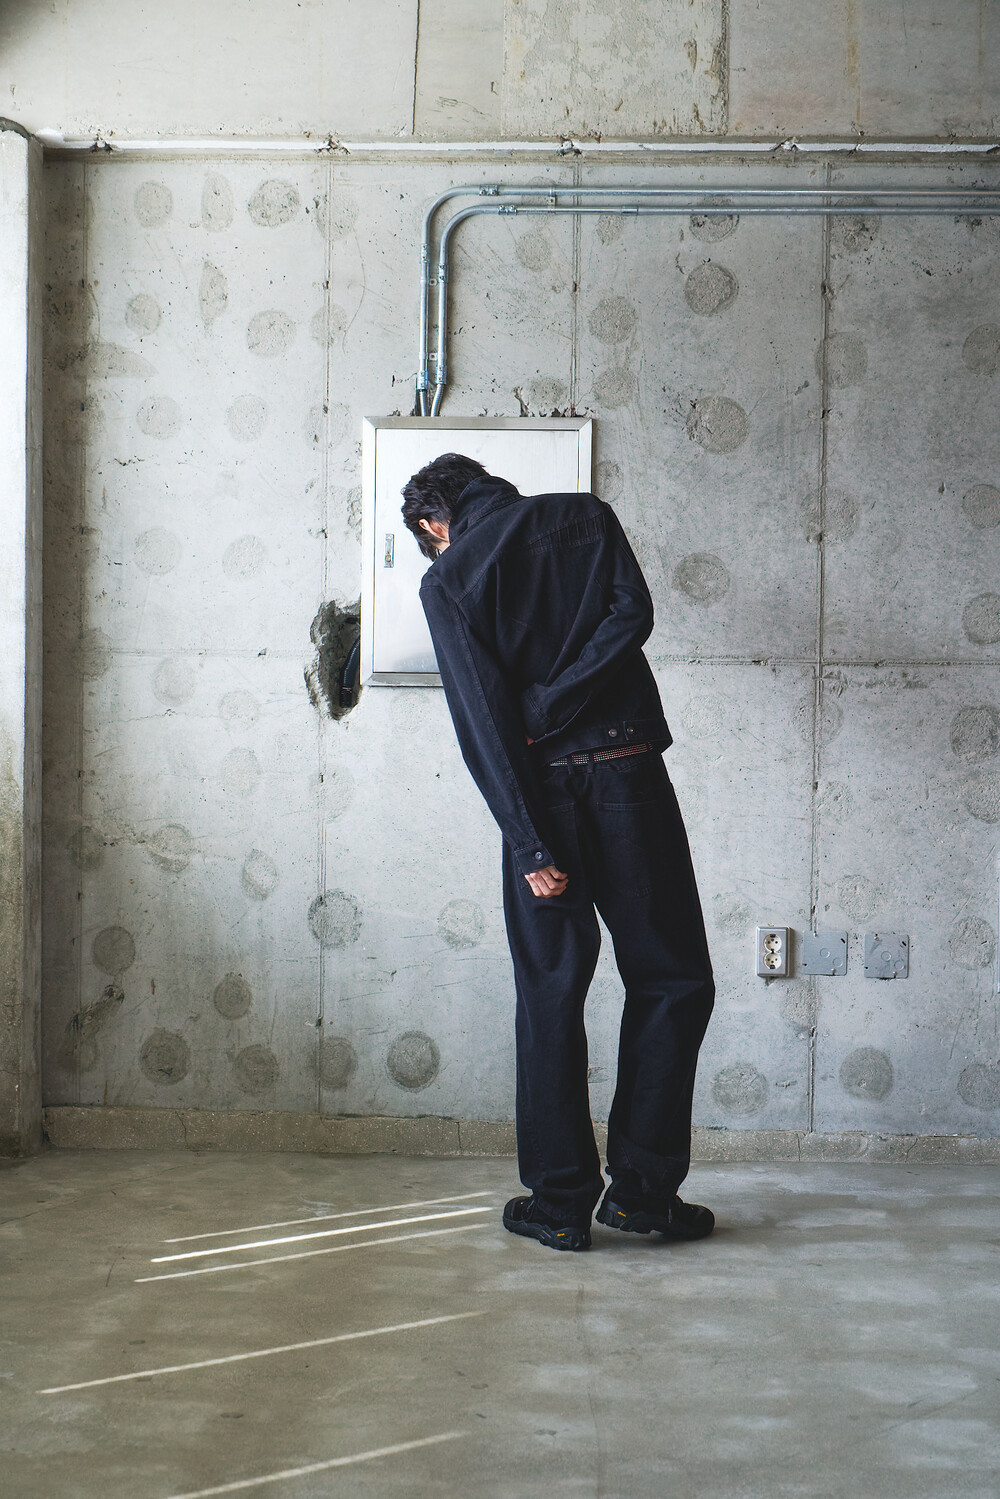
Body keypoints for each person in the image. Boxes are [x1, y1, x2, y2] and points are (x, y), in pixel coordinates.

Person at [401, 453, 716, 1252]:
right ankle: (642, 1193)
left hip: (543, 798)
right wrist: (566, 695)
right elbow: (632, 614)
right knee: (672, 978)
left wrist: (529, 841)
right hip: (630, 771)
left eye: (432, 541)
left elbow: (482, 720)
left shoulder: (448, 579)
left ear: (435, 523)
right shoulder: (585, 514)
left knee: (550, 993)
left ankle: (560, 1202)